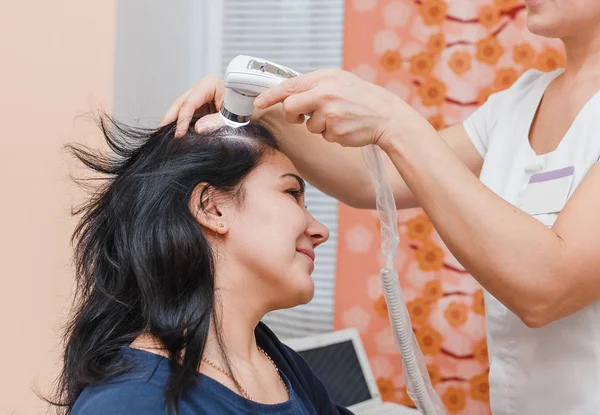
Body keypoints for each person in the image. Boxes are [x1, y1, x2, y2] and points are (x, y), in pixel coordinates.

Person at [165, 1, 600, 413]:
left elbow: (546, 286)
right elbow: (369, 178)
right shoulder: (519, 104)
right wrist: (254, 109)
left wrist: (394, 122)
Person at [49, 115, 354, 415]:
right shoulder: (130, 402)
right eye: (292, 194)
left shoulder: (274, 360)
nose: (320, 231)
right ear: (211, 207)